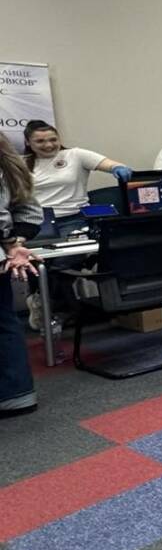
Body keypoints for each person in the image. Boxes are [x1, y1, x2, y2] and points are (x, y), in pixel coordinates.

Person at [22, 121, 131, 330]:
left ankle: (42, 300)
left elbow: (109, 164)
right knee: (40, 264)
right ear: (28, 142)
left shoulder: (75, 155)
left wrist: (118, 168)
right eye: (40, 141)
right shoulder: (21, 163)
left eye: (53, 139)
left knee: (63, 263)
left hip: (74, 218)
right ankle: (55, 305)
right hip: (37, 222)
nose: (48, 145)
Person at [1, 133, 42, 418]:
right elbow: (30, 212)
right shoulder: (11, 165)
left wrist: (10, 242)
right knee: (4, 322)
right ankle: (17, 394)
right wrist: (14, 243)